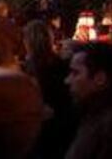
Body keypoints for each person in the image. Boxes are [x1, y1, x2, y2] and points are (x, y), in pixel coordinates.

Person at [22, 20, 75, 158]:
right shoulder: (62, 64)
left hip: (42, 130)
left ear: (28, 42)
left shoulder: (30, 68)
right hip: (64, 127)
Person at [65, 43, 112, 159]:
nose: (67, 80)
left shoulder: (111, 126)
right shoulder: (92, 113)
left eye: (75, 73)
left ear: (100, 79)